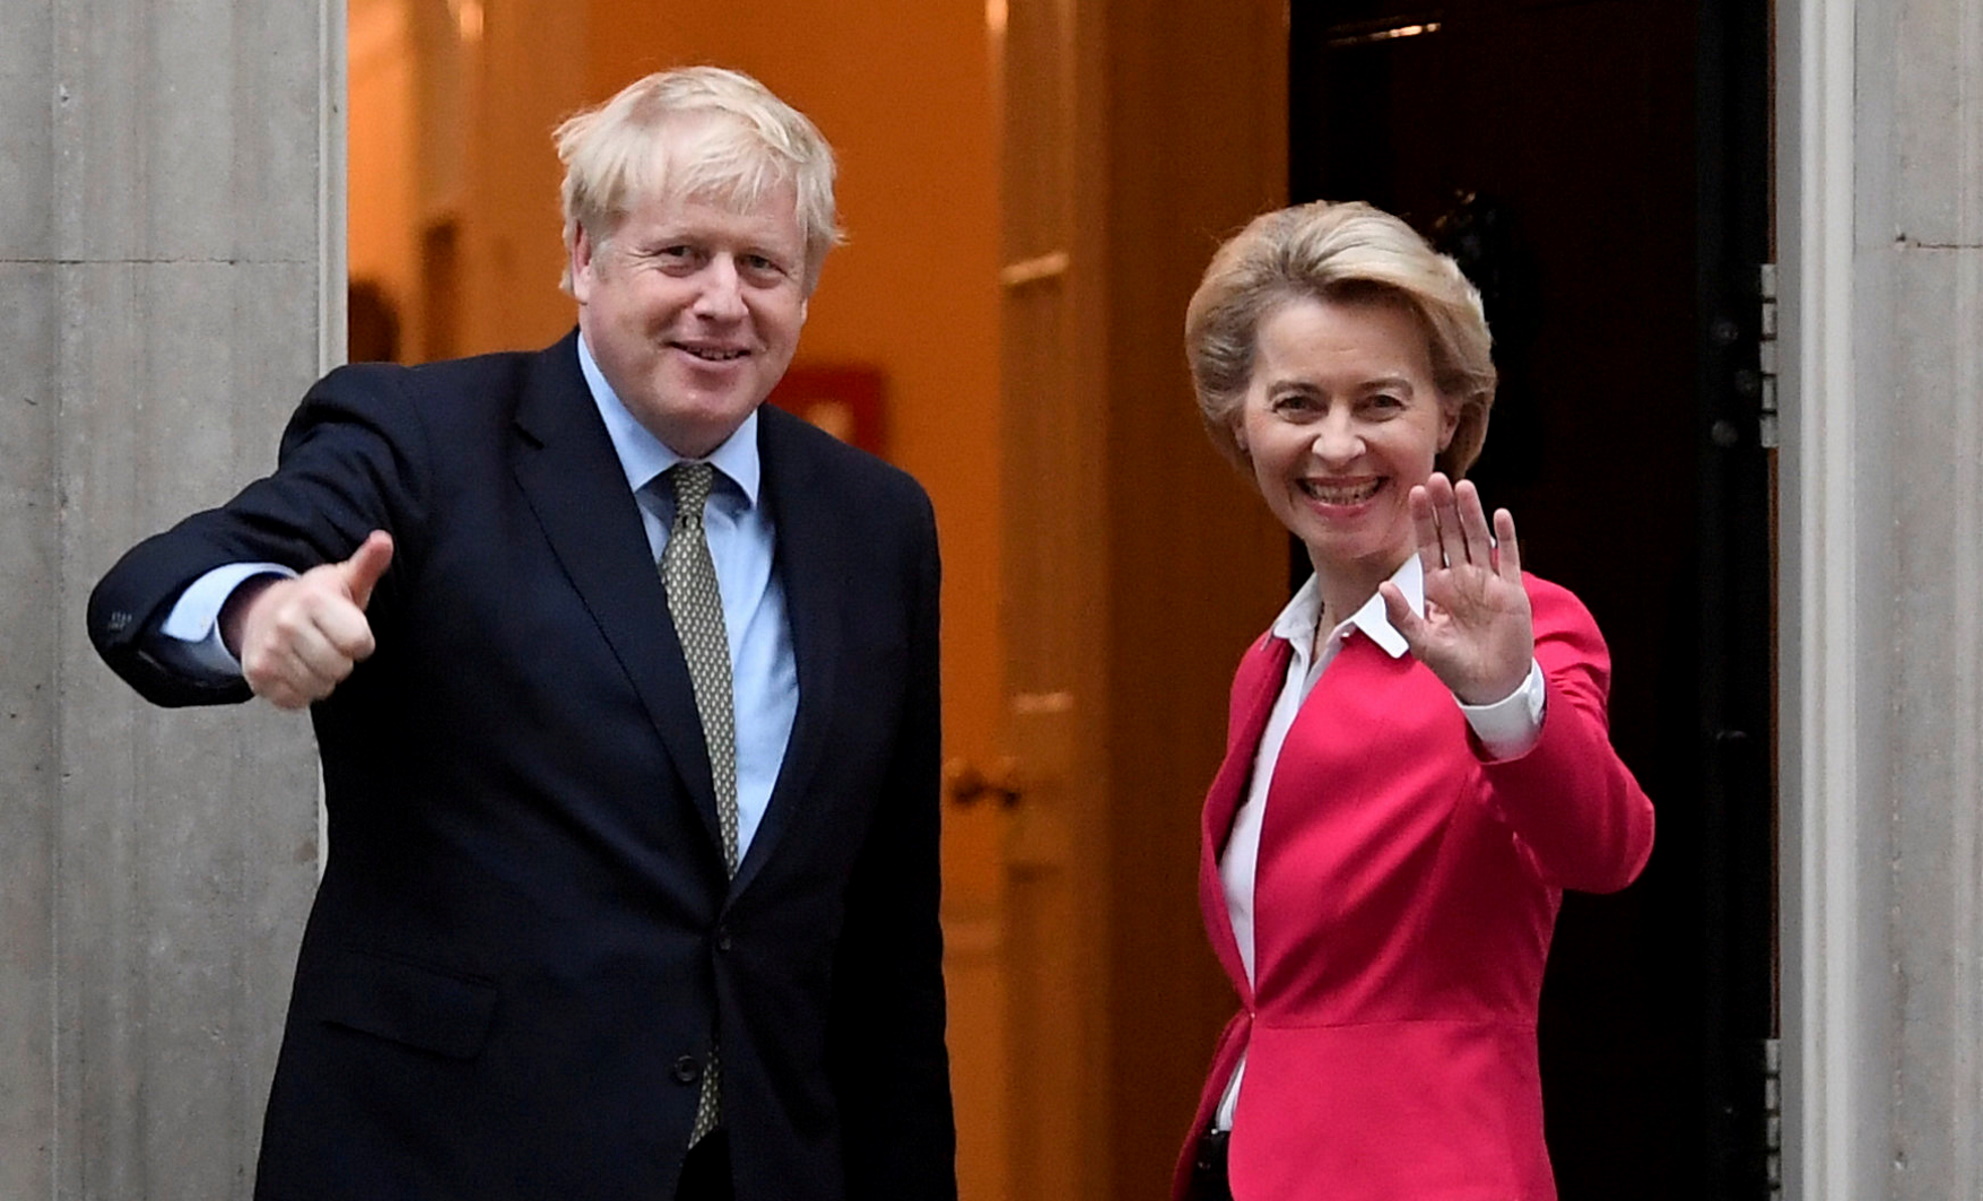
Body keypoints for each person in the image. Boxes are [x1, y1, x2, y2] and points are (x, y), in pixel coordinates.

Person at [87, 67, 955, 1201]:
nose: (722, 301)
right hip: (450, 1157)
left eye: (762, 265)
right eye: (679, 254)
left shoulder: (874, 524)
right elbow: (154, 583)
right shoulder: (425, 441)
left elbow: (887, 943)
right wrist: (259, 610)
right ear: (585, 258)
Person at [1172, 200, 1655, 1201]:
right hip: (1251, 1160)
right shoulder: (1271, 660)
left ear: (1449, 417)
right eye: (1297, 403)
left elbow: (1603, 847)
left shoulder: (1525, 630)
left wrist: (1502, 696)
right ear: (1239, 420)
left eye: (1380, 403)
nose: (1336, 445)